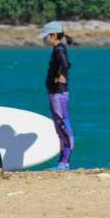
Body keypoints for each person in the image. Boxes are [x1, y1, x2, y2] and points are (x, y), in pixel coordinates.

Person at [39, 21, 75, 171]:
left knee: (62, 125)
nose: (44, 40)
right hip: (55, 92)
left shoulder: (59, 48)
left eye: (46, 36)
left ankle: (65, 162)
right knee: (59, 127)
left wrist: (61, 76)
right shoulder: (57, 48)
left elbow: (66, 64)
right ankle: (62, 161)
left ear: (53, 35)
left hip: (58, 93)